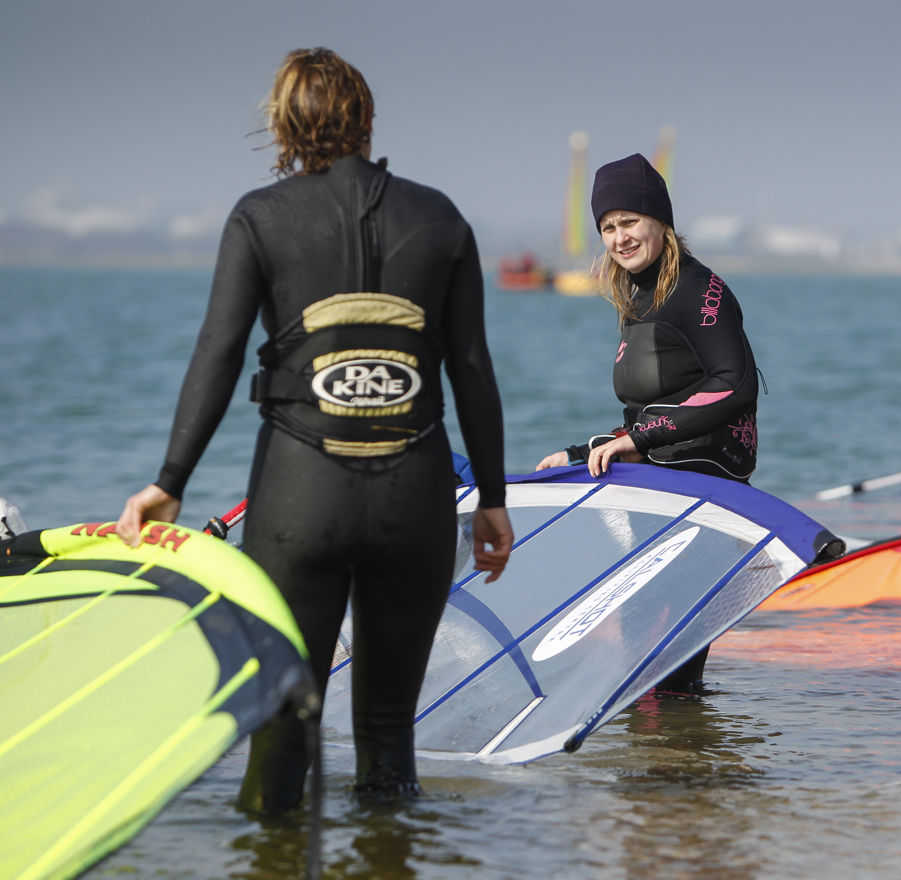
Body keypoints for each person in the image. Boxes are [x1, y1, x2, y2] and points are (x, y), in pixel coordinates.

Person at [115, 48, 514, 812]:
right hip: (414, 495)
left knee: (283, 733)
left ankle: (268, 858)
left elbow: (218, 352)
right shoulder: (440, 218)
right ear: (366, 117)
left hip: (300, 497)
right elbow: (472, 369)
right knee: (390, 739)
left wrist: (171, 481)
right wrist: (492, 498)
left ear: (285, 124)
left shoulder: (260, 217)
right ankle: (388, 859)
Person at [535, 153, 759, 686]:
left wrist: (637, 438)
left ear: (661, 221)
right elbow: (652, 410)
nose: (619, 237)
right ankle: (671, 762)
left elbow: (734, 383)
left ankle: (678, 765)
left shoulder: (700, 291)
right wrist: (584, 450)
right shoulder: (636, 293)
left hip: (703, 496)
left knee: (666, 675)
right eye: (608, 227)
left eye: (630, 221)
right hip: (657, 491)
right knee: (644, 674)